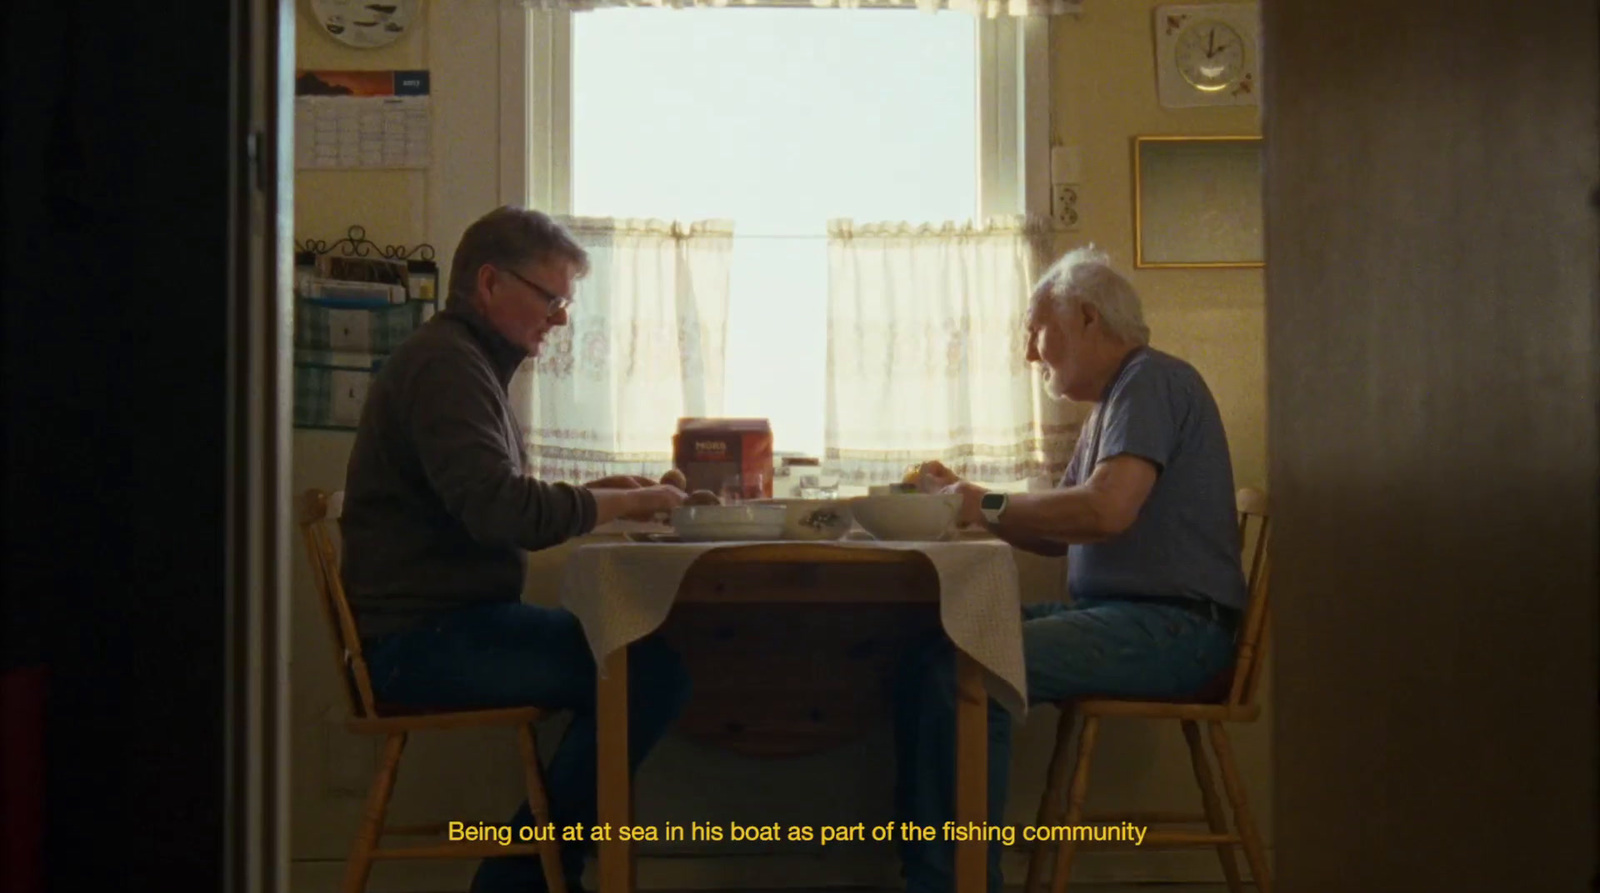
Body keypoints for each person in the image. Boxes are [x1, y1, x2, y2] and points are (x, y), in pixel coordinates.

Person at [338, 206, 691, 893]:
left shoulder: (458, 361)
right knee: (651, 671)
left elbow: (487, 496)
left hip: (438, 626)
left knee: (640, 660)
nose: (561, 318)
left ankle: (526, 872)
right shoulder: (446, 365)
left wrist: (599, 491)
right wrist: (625, 503)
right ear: (491, 283)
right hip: (421, 641)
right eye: (552, 297)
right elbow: (500, 510)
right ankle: (523, 878)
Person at [893, 245, 1246, 893]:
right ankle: (937, 872)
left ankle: (957, 882)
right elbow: (1061, 535)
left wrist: (979, 502)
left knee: (971, 661)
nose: (1031, 352)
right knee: (932, 646)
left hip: (1176, 629)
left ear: (1086, 318)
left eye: (1037, 329)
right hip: (1131, 620)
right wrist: (966, 496)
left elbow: (1106, 512)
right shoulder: (1112, 406)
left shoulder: (1151, 381)